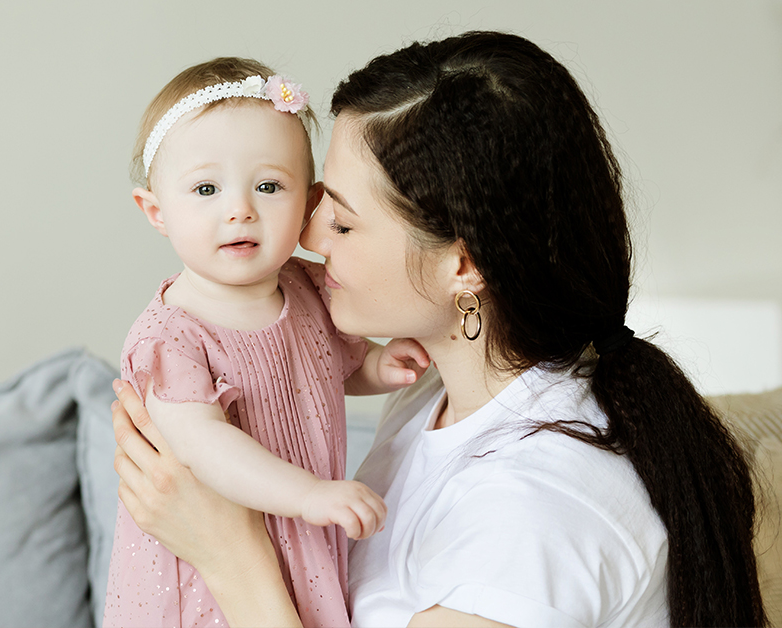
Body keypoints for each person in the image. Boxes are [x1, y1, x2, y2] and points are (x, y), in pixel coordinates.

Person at [110, 32, 764, 628]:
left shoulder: (531, 519)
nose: (305, 238)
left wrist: (230, 555)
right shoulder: (439, 395)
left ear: (462, 263)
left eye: (339, 221)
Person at [104, 57, 430, 628]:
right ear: (156, 211)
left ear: (309, 204)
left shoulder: (307, 288)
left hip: (300, 537)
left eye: (269, 185)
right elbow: (202, 445)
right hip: (207, 561)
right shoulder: (170, 337)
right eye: (206, 188)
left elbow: (327, 369)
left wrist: (378, 366)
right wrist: (307, 495)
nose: (239, 209)